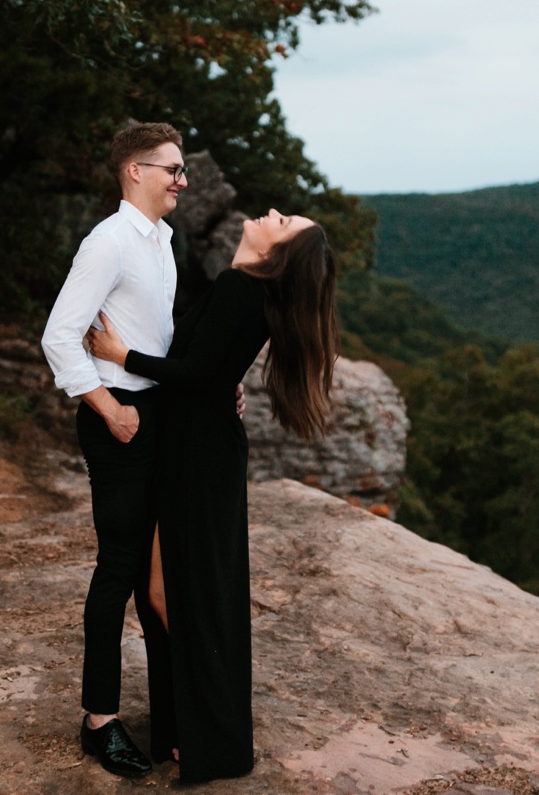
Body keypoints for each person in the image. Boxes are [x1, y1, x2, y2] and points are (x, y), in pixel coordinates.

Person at [86, 207, 339, 783]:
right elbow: (207, 363)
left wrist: (118, 355)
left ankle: (209, 734)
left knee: (175, 593)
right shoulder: (244, 288)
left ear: (276, 255)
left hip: (198, 458)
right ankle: (189, 727)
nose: (271, 213)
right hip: (199, 450)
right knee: (164, 591)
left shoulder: (237, 287)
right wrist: (221, 380)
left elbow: (194, 372)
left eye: (283, 221)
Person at [39, 121, 187, 779]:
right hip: (118, 419)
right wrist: (109, 409)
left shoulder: (162, 242)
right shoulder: (108, 242)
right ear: (135, 171)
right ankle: (98, 720)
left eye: (182, 171)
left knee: (162, 573)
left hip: (156, 415)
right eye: (172, 170)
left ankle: (172, 713)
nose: (182, 181)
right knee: (120, 568)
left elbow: (160, 334)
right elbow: (59, 337)